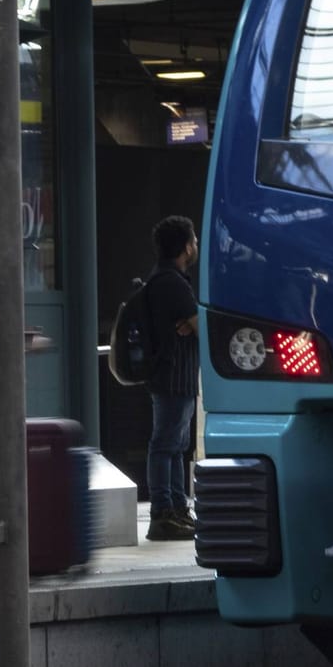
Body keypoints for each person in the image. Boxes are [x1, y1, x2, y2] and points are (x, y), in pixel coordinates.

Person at [143, 215, 200, 542]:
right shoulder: (172, 282)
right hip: (172, 376)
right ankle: (162, 513)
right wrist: (193, 323)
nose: (195, 246)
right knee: (165, 445)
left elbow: (192, 324)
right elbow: (200, 327)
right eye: (192, 240)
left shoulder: (167, 279)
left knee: (177, 446)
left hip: (176, 376)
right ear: (184, 246)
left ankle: (177, 508)